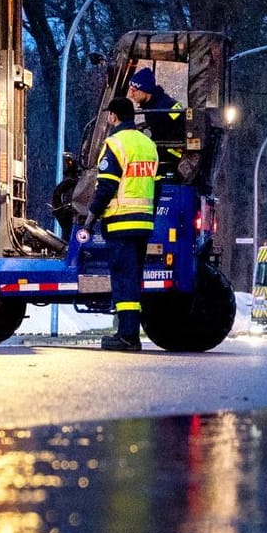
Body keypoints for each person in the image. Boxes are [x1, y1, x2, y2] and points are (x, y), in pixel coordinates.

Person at [88, 96, 160, 352]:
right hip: (143, 223)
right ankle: (130, 332)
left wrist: (91, 217)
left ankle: (128, 336)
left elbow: (106, 186)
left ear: (113, 116)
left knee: (123, 278)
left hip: (120, 223)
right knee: (134, 277)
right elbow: (157, 185)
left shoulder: (116, 144)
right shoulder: (148, 145)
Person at [127, 67, 185, 178]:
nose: (131, 95)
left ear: (145, 90)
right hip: (171, 150)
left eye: (134, 90)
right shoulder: (160, 103)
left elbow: (156, 136)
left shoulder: (159, 111)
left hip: (174, 154)